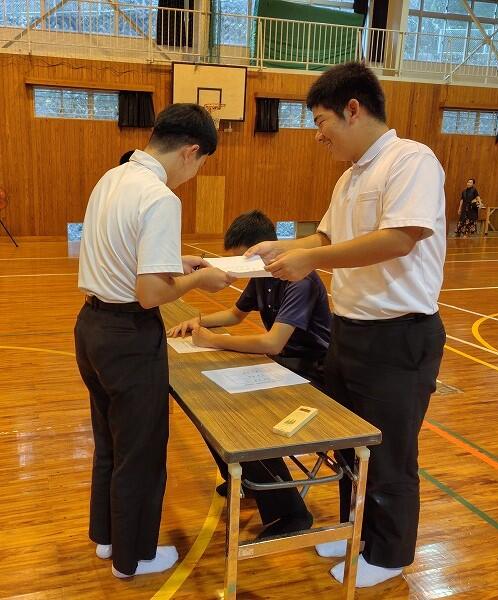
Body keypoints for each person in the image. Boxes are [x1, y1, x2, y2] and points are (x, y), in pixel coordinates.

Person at [246, 62, 446, 588]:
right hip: (349, 332)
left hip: (399, 335)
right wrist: (282, 248)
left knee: (390, 453)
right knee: (348, 444)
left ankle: (389, 553)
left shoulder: (411, 160)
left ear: (353, 109)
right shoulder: (350, 176)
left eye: (321, 121)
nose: (319, 135)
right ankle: (355, 530)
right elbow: (324, 238)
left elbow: (399, 238)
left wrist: (312, 259)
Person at [74, 103, 235, 579]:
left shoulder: (113, 177)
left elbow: (120, 249)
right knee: (141, 451)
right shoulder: (161, 197)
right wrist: (198, 281)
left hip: (91, 327)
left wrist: (173, 261)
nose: (194, 175)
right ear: (190, 151)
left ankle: (108, 539)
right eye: (200, 164)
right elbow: (150, 294)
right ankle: (134, 558)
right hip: (128, 336)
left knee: (111, 443)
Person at [167, 209, 332, 537]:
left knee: (246, 417)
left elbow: (272, 342)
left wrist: (213, 341)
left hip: (313, 372)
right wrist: (197, 322)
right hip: (283, 365)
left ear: (263, 251)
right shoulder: (261, 274)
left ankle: (290, 514)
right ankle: (245, 480)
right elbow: (234, 314)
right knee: (210, 407)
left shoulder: (299, 280)